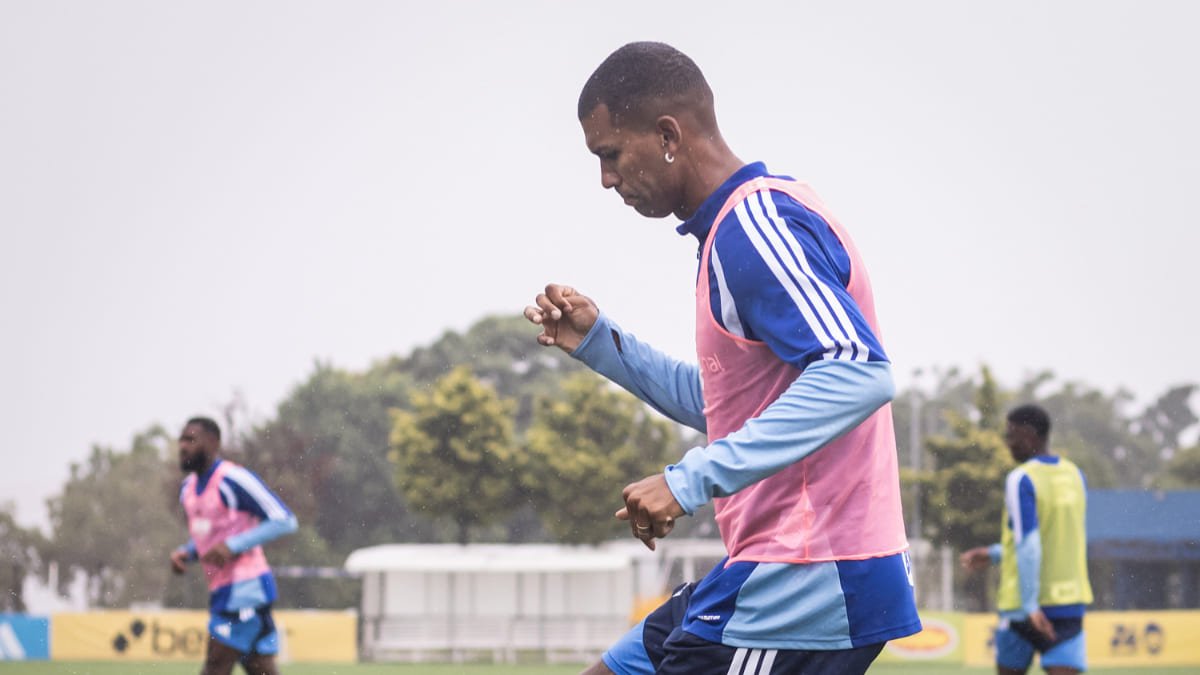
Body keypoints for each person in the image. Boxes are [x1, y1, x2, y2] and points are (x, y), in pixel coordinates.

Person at [524, 42, 919, 675]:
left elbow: (857, 373)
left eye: (611, 154)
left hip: (809, 576)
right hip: (774, 564)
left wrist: (687, 481)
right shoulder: (738, 228)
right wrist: (602, 344)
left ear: (667, 135)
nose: (606, 179)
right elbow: (729, 407)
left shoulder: (755, 229)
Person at [961, 405, 1093, 675]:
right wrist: (995, 553)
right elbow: (1054, 539)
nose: (1008, 443)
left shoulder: (1021, 478)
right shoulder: (1076, 476)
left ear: (1029, 434)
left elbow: (1030, 544)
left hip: (1022, 607)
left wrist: (1031, 605)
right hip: (1068, 605)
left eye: (1011, 435)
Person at [169, 417, 298, 675]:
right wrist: (188, 552)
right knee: (261, 669)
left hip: (246, 589)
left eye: (191, 439)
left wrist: (233, 545)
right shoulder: (188, 490)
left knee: (215, 665)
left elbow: (285, 520)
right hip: (222, 591)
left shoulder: (233, 479)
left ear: (213, 443)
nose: (183, 446)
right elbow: (209, 536)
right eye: (181, 440)